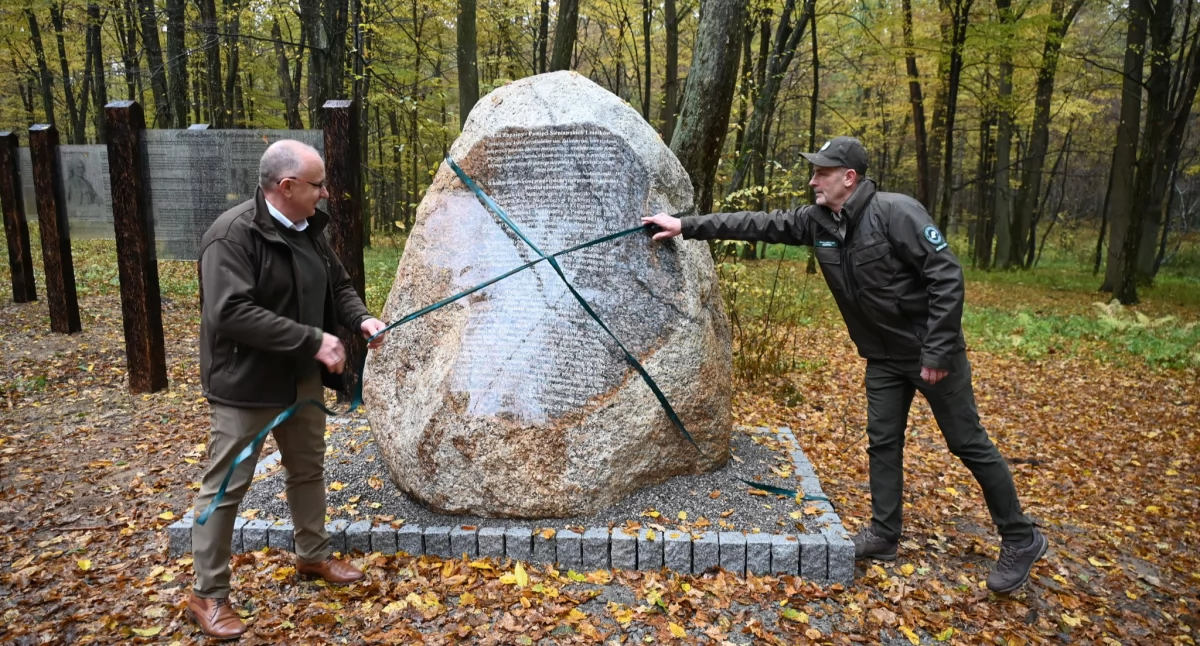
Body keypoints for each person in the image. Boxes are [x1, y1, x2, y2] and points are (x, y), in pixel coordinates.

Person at [643, 136, 1047, 594]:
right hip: (883, 358)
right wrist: (683, 225)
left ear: (848, 178)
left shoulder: (897, 213)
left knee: (967, 443)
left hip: (932, 355)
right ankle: (884, 534)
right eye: (814, 172)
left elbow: (946, 277)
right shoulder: (818, 221)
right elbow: (757, 223)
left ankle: (1020, 536)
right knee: (883, 442)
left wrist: (936, 352)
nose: (814, 180)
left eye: (823, 172)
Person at [189, 140, 388, 638]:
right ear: (287, 186)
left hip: (300, 378)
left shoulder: (310, 231)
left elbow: (338, 285)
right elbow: (230, 313)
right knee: (223, 490)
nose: (325, 193)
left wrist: (360, 319)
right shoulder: (231, 236)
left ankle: (312, 556)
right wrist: (312, 340)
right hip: (245, 386)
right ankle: (207, 595)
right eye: (318, 184)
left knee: (307, 470)